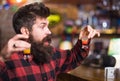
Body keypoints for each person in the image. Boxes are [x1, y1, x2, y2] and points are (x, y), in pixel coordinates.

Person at [0, 2, 100, 81]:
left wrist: (84, 39)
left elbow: (73, 58)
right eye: (43, 26)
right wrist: (1, 58)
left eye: (48, 26)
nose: (49, 31)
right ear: (25, 31)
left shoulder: (50, 53)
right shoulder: (8, 61)